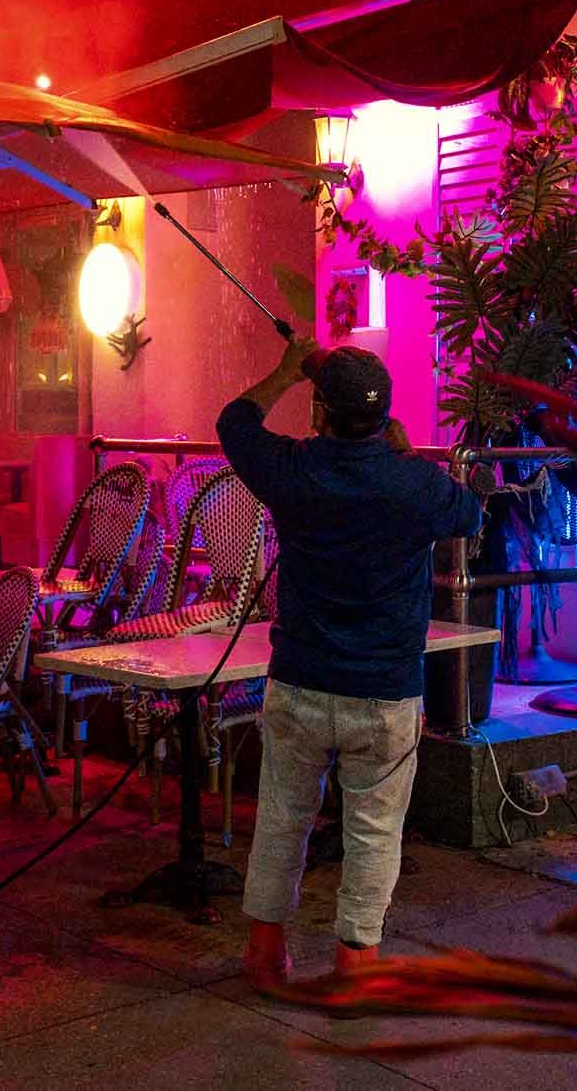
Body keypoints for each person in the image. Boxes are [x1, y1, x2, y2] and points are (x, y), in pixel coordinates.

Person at [215, 338, 482, 994]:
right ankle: (355, 967)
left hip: (300, 682)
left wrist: (285, 371)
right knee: (374, 834)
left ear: (319, 414)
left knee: (282, 820)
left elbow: (234, 423)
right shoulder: (414, 483)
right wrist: (405, 454)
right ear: (385, 415)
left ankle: (264, 956)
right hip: (384, 693)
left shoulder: (292, 469)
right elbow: (469, 512)